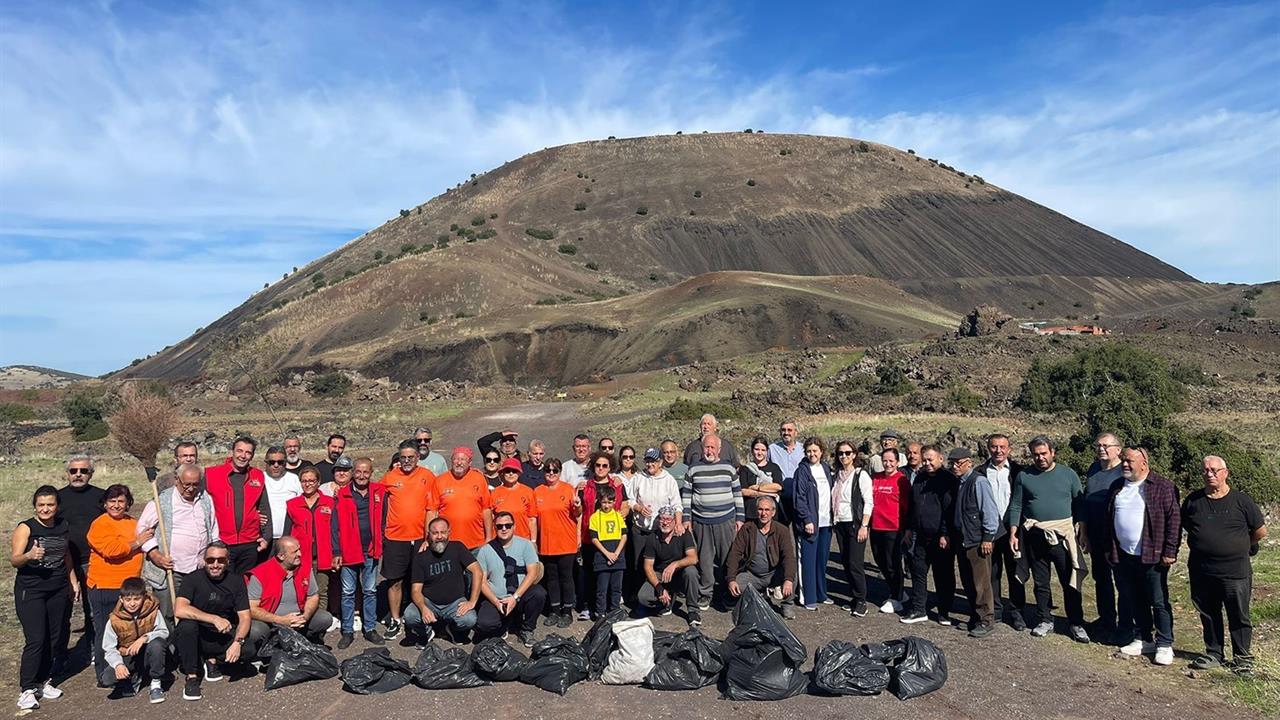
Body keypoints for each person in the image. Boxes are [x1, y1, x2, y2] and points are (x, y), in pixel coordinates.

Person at [1183, 455, 1267, 674]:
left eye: (1214, 470)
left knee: (1239, 614)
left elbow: (1260, 531)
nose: (1209, 474)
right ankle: (1214, 653)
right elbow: (1186, 527)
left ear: (1225, 473)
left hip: (1235, 571)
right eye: (1205, 471)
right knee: (1208, 613)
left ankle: (1242, 658)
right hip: (1202, 570)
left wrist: (1240, 545)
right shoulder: (1193, 501)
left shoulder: (1242, 501)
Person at [1009, 435, 1089, 643]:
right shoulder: (1024, 476)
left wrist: (1082, 528)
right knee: (1040, 582)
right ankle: (1045, 619)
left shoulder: (1068, 474)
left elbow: (1079, 503)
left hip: (1063, 536)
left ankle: (1076, 623)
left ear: (1052, 452)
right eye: (1036, 455)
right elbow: (1017, 504)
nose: (1040, 458)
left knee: (1069, 581)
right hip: (1035, 536)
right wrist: (1013, 531)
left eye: (1044, 454)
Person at [1107, 446, 1180, 665]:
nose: (1125, 465)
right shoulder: (1117, 486)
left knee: (1158, 601)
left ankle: (1165, 643)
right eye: (1123, 461)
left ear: (1144, 464)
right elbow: (1109, 518)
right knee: (1134, 597)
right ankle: (1143, 637)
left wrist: (1170, 551)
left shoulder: (1163, 487)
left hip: (1153, 554)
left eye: (1129, 461)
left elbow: (1174, 520)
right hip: (1124, 555)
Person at [11, 485, 77, 711]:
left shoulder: (63, 525)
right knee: (36, 639)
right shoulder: (26, 527)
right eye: (41, 505)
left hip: (58, 587)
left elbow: (66, 554)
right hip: (31, 590)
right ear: (35, 506)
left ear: (57, 506)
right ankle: (27, 689)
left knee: (54, 637)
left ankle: (42, 682)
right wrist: (29, 555)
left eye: (50, 504)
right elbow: (15, 559)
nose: (46, 509)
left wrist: (73, 581)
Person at [85, 484, 151, 683]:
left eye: (121, 501)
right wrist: (136, 543)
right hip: (105, 585)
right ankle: (105, 674)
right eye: (112, 501)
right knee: (106, 631)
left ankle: (128, 670)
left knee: (128, 631)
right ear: (104, 503)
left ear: (128, 503)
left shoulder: (134, 523)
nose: (116, 505)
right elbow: (112, 550)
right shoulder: (100, 524)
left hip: (130, 587)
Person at [137, 464, 219, 620]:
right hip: (172, 570)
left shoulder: (205, 498)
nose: (191, 488)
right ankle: (170, 644)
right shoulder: (163, 501)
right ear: (177, 480)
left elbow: (213, 528)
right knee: (169, 613)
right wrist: (155, 555)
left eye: (195, 484)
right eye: (186, 484)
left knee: (196, 611)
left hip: (198, 567)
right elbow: (142, 528)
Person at [173, 541, 251, 702]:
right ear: (204, 560)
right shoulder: (192, 579)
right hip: (197, 635)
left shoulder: (236, 581)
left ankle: (212, 660)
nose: (215, 565)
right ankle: (192, 676)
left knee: (248, 649)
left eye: (220, 560)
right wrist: (214, 619)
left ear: (227, 562)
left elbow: (245, 616)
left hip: (221, 634)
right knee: (187, 626)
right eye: (210, 560)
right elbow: (179, 609)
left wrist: (238, 642)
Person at [681, 434, 744, 610]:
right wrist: (687, 518)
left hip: (726, 520)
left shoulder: (729, 468)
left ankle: (726, 593)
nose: (709, 451)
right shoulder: (693, 469)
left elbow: (737, 494)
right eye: (706, 447)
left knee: (727, 559)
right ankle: (706, 594)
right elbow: (687, 496)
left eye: (712, 447)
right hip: (702, 522)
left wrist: (740, 518)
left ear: (719, 449)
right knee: (705, 560)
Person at [379, 440, 434, 640]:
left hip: (420, 538)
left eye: (411, 457)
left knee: (419, 581)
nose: (407, 461)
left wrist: (428, 536)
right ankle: (395, 619)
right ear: (398, 458)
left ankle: (421, 617)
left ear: (418, 457)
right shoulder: (389, 477)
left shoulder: (427, 477)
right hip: (395, 538)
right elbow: (376, 501)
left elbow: (431, 508)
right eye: (403, 457)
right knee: (394, 581)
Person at [332, 457, 386, 649]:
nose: (362, 476)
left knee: (370, 590)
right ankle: (347, 631)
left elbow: (383, 520)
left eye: (366, 472)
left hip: (370, 550)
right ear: (352, 473)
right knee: (348, 592)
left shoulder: (379, 493)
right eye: (358, 472)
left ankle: (370, 628)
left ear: (371, 473)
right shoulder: (342, 495)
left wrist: (381, 542)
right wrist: (336, 550)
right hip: (349, 550)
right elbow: (335, 525)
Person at [246, 536, 332, 654]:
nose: (300, 554)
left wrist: (305, 617)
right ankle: (263, 651)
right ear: (281, 556)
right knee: (255, 630)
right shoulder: (260, 574)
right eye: (295, 552)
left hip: (298, 618)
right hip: (270, 621)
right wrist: (280, 620)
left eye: (299, 549)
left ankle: (303, 641)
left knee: (324, 618)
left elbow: (313, 596)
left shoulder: (305, 568)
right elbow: (251, 608)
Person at [57, 453, 104, 666]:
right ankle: (60, 655)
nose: (78, 474)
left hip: (92, 561)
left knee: (93, 609)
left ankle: (94, 651)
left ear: (91, 473)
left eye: (83, 471)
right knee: (61, 611)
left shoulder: (101, 497)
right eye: (73, 471)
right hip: (62, 563)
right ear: (67, 473)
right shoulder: (57, 498)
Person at [976, 433, 1027, 630]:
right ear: (988, 448)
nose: (998, 451)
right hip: (990, 531)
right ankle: (995, 610)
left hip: (1013, 530)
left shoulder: (1018, 472)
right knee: (992, 572)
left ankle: (1017, 612)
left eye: (1002, 447)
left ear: (1009, 449)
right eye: (994, 447)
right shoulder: (980, 472)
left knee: (1015, 572)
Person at [903, 445, 958, 625]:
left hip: (940, 537)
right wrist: (910, 528)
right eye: (924, 460)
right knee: (918, 572)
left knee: (943, 575)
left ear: (940, 459)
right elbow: (913, 505)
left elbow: (948, 509)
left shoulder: (948, 479)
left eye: (930, 460)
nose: (927, 463)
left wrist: (944, 533)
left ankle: (944, 611)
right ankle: (919, 609)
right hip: (920, 535)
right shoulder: (919, 478)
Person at [951, 448, 1003, 638]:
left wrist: (988, 538)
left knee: (981, 583)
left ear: (969, 462)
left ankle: (986, 619)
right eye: (953, 463)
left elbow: (989, 511)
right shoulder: (960, 483)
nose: (955, 466)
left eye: (958, 463)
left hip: (978, 540)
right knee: (968, 581)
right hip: (964, 539)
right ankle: (975, 617)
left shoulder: (978, 482)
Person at [404, 519, 483, 644]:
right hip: (429, 602)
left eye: (443, 532)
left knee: (469, 620)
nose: (439, 536)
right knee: (410, 616)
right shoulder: (420, 557)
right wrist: (423, 608)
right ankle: (427, 631)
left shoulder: (457, 547)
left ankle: (451, 630)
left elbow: (477, 571)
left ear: (449, 532)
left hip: (454, 602)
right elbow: (416, 590)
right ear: (428, 534)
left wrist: (472, 601)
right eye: (435, 533)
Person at [475, 511, 546, 647]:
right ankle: (504, 624)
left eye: (508, 525)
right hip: (497, 598)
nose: (504, 529)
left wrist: (515, 597)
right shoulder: (485, 550)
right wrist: (496, 601)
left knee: (539, 593)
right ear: (495, 528)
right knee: (484, 625)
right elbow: (481, 582)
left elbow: (533, 572)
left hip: (519, 596)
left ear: (514, 527)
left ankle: (527, 629)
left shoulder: (525, 545)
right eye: (500, 526)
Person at [205, 436, 271, 574]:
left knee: (244, 584)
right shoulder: (212, 474)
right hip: (222, 541)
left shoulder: (257, 476)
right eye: (240, 451)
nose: (243, 456)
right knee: (223, 583)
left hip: (250, 542)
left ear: (252, 455)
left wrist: (266, 537)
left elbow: (264, 507)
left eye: (248, 452)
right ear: (232, 452)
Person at [576, 451, 629, 619]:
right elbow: (579, 512)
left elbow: (626, 505)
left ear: (610, 467)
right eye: (597, 465)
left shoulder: (618, 485)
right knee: (591, 574)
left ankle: (611, 609)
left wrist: (619, 517)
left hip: (611, 537)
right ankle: (590, 607)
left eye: (604, 465)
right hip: (590, 536)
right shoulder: (585, 486)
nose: (600, 468)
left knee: (611, 577)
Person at [282, 466, 338, 625]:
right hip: (301, 557)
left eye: (311, 481)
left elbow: (336, 530)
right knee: (301, 591)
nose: (307, 484)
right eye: (304, 481)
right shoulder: (293, 504)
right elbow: (287, 532)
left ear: (318, 482)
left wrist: (336, 553)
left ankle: (319, 624)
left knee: (322, 591)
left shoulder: (329, 503)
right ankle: (301, 622)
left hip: (323, 555)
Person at [726, 496, 797, 619]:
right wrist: (731, 579)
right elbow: (734, 554)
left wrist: (788, 580)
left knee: (792, 577)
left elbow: (789, 557)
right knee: (737, 585)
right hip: (753, 574)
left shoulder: (782, 530)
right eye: (760, 510)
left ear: (773, 512)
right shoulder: (747, 529)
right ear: (756, 511)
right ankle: (761, 595)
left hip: (774, 573)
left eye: (767, 510)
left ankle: (787, 605)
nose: (763, 513)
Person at [100, 577, 168, 703]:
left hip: (149, 651)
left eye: (137, 599)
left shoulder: (153, 611)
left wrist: (145, 638)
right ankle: (135, 676)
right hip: (129, 655)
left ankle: (156, 683)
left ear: (144, 597)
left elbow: (164, 632)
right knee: (107, 679)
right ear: (121, 599)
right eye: (128, 600)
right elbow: (109, 647)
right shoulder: (114, 620)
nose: (132, 603)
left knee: (157, 644)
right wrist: (118, 664)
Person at [1083, 432, 1124, 640]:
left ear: (1118, 449)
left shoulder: (1124, 472)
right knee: (1101, 578)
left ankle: (1128, 622)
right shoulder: (1093, 469)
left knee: (1122, 581)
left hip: (1117, 538)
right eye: (1098, 445)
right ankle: (1106, 618)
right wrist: (1084, 532)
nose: (1101, 449)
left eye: (1106, 446)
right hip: (1096, 534)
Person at [534, 458, 582, 627]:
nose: (551, 474)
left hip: (566, 542)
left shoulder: (568, 489)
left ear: (560, 472)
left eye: (555, 470)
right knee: (551, 578)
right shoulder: (538, 491)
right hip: (546, 543)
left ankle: (567, 611)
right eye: (548, 470)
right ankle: (554, 611)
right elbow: (533, 518)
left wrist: (578, 506)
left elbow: (578, 513)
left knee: (566, 577)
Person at [831, 441, 873, 617]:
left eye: (848, 453)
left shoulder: (860, 475)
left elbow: (868, 502)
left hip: (855, 524)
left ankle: (861, 600)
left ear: (854, 455)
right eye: (841, 453)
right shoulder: (836, 475)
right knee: (846, 562)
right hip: (840, 522)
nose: (844, 456)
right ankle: (853, 597)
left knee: (855, 563)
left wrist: (864, 525)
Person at [638, 507, 700, 624]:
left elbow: (693, 558)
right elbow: (648, 566)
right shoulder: (652, 538)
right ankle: (666, 603)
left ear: (674, 521)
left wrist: (675, 564)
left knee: (691, 572)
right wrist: (659, 588)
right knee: (643, 597)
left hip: (679, 573)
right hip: (661, 575)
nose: (665, 522)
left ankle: (693, 610)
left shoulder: (683, 534)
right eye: (661, 519)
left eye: (668, 519)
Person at [793, 437, 834, 610]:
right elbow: (799, 498)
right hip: (810, 523)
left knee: (821, 560)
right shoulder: (802, 471)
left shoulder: (825, 468)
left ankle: (821, 593)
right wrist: (807, 519)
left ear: (821, 452)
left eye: (815, 451)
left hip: (826, 522)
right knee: (808, 561)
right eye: (809, 451)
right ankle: (808, 597)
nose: (812, 454)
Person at [429, 446, 495, 550]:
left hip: (477, 543)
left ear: (470, 462)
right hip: (448, 543)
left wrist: (489, 538)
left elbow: (486, 510)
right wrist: (427, 539)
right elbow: (432, 512)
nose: (459, 462)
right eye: (456, 459)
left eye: (463, 459)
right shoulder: (440, 480)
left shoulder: (479, 478)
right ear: (451, 460)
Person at [870, 447, 911, 613]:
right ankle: (899, 591)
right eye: (885, 461)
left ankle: (896, 597)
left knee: (892, 563)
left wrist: (907, 529)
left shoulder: (902, 480)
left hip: (893, 528)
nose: (887, 464)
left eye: (891, 461)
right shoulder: (876, 478)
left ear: (897, 462)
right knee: (880, 561)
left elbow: (908, 507)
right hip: (876, 526)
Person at [588, 486, 627, 616]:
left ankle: (614, 612)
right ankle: (601, 614)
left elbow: (624, 535)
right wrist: (607, 554)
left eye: (609, 502)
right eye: (604, 502)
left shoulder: (617, 515)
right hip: (602, 556)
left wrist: (616, 553)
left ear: (614, 501)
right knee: (602, 589)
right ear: (599, 501)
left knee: (617, 588)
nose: (606, 505)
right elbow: (594, 538)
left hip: (618, 555)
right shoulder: (595, 517)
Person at [741, 436, 785, 523]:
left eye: (763, 450)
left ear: (767, 451)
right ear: (752, 450)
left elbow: (778, 487)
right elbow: (744, 491)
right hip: (751, 513)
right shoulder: (745, 469)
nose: (760, 453)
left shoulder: (774, 468)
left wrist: (757, 487)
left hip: (771, 515)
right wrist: (766, 492)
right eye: (757, 449)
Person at [262, 446, 302, 541]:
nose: (276, 465)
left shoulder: (294, 479)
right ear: (266, 463)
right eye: (272, 462)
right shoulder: (259, 479)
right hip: (264, 537)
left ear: (285, 463)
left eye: (280, 462)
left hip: (289, 536)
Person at [492, 459, 538, 541]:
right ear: (503, 473)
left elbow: (532, 519)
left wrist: (533, 541)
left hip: (523, 539)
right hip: (501, 540)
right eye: (507, 471)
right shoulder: (495, 492)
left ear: (519, 473)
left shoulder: (528, 491)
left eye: (514, 471)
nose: (510, 473)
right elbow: (491, 518)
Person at [768, 421, 804, 485]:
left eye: (789, 430)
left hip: (799, 490)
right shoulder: (772, 449)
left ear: (795, 432)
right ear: (780, 432)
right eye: (783, 430)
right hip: (779, 490)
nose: (786, 433)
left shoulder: (803, 449)